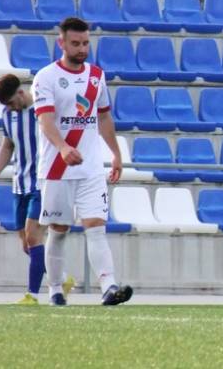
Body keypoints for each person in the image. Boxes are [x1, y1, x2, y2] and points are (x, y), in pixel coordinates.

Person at [32, 16, 132, 306]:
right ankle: (55, 289)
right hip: (56, 168)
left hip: (90, 168)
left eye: (86, 43)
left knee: (96, 224)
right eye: (75, 43)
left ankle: (108, 287)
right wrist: (63, 147)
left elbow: (102, 117)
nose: (82, 48)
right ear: (61, 42)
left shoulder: (96, 76)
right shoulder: (46, 77)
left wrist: (115, 154)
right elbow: (45, 120)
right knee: (59, 230)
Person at [0, 74, 74, 305]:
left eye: (13, 102)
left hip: (41, 182)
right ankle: (62, 278)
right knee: (26, 243)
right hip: (19, 184)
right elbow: (8, 145)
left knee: (34, 237)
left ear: (22, 94)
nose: (12, 108)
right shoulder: (8, 115)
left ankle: (33, 295)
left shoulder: (42, 112)